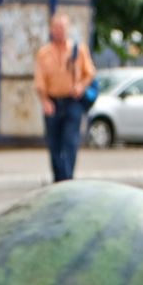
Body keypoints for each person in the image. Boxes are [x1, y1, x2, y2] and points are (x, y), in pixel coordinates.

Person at [34, 13, 96, 183]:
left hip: (72, 102)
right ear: (51, 30)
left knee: (70, 142)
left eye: (62, 27)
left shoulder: (78, 49)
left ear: (68, 29)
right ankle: (58, 179)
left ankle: (67, 179)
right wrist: (45, 101)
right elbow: (39, 81)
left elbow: (90, 73)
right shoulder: (44, 53)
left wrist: (81, 86)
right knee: (54, 144)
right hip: (53, 102)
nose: (59, 31)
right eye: (56, 27)